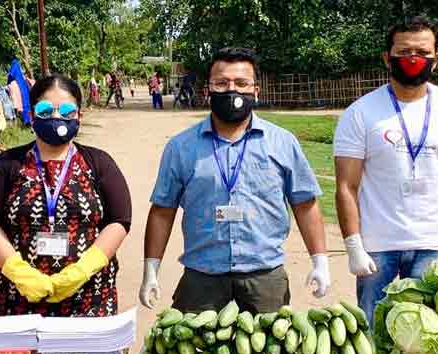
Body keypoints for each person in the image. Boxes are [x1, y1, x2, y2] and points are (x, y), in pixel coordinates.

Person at [140, 47, 330, 314]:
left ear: (256, 90)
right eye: (221, 83)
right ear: (207, 90)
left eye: (242, 83)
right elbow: (162, 211)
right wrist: (151, 269)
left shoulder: (283, 143)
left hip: (265, 278)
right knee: (195, 353)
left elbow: (305, 204)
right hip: (201, 278)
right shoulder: (180, 147)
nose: (232, 90)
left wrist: (320, 261)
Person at [334, 17, 438, 324]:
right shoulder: (360, 112)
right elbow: (346, 186)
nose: (413, 59)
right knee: (373, 335)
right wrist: (353, 246)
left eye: (422, 52)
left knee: (428, 337)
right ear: (387, 58)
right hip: (378, 246)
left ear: (436, 59)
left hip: (436, 245)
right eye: (404, 51)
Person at [0, 74, 131, 317]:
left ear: (79, 115)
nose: (57, 117)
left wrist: (81, 271)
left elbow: (119, 219)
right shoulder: (6, 165)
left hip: (88, 299)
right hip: (17, 301)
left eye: (67, 110)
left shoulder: (99, 163)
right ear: (32, 113)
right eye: (46, 109)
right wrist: (19, 272)